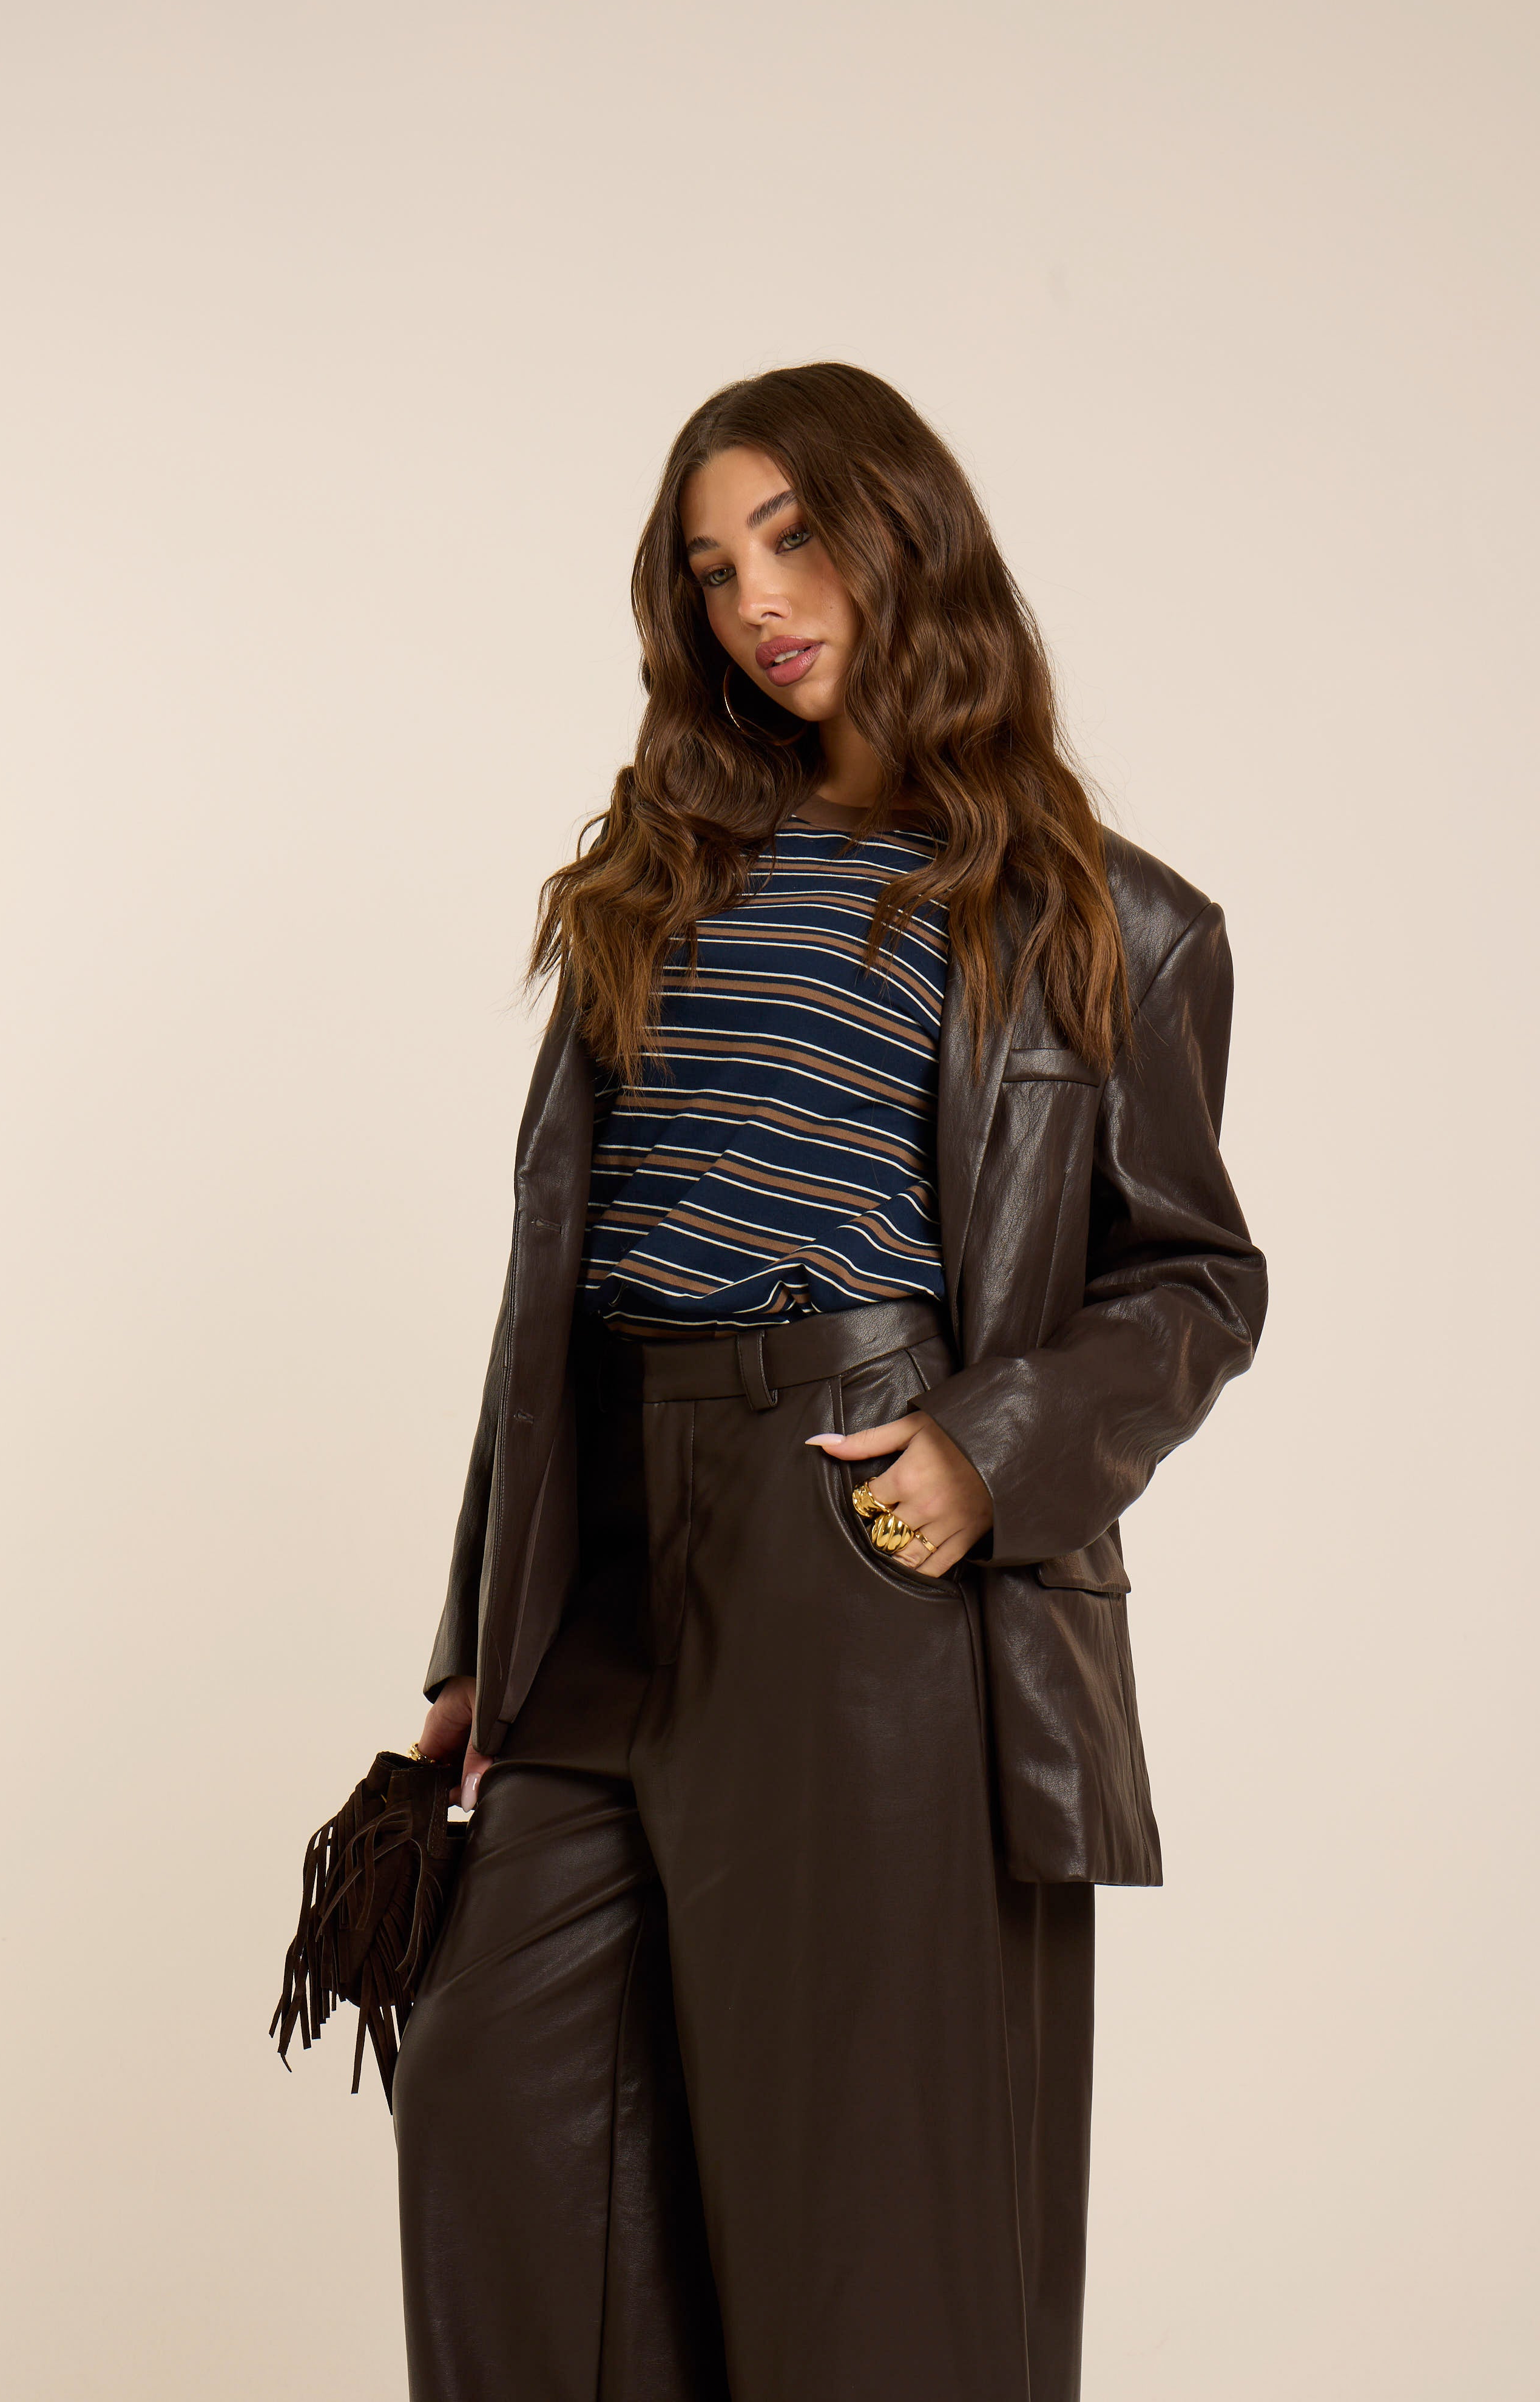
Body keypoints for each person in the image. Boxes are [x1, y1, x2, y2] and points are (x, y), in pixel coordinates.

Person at [392, 360, 1266, 2402]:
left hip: (858, 1538)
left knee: (855, 2215)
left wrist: (990, 1452)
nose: (756, 602)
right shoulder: (664, 873)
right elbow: (549, 1299)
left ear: (906, 535)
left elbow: (1198, 1278)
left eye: (792, 539)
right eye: (713, 570)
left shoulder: (1110, 920)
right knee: (499, 2107)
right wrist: (481, 1630)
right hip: (610, 1554)